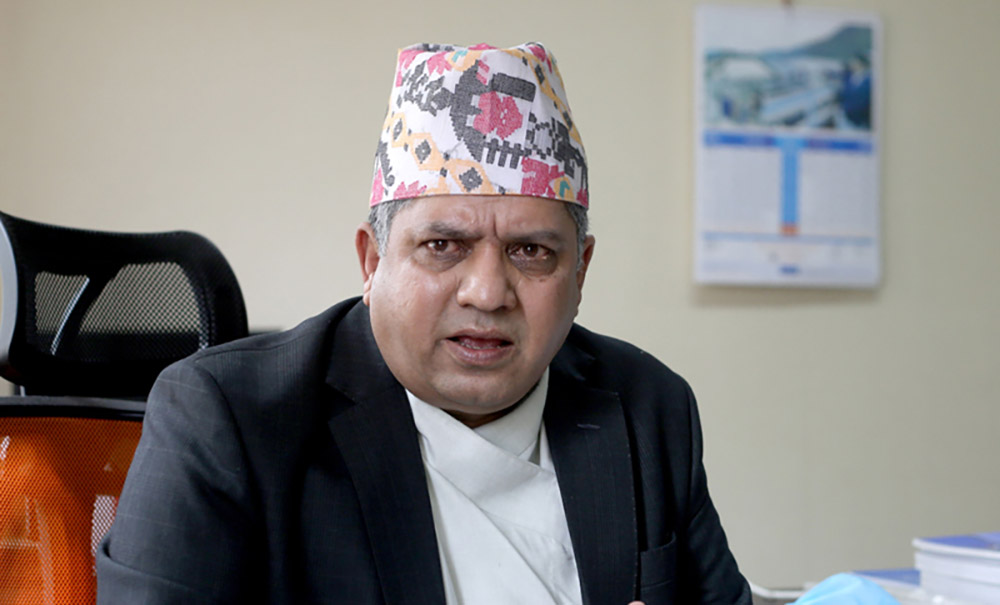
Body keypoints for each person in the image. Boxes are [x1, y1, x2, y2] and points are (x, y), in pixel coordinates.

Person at [97, 42, 750, 604]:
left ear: (580, 272)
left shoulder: (647, 405)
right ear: (372, 261)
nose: (487, 293)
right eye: (443, 246)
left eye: (531, 251)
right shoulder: (232, 417)